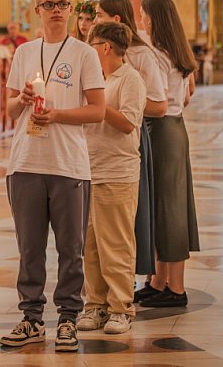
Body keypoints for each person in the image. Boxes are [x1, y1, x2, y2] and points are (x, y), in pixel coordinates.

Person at [0, 0, 105, 353]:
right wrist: (24, 98)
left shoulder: (84, 54)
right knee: (29, 248)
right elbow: (10, 110)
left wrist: (57, 114)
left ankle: (67, 318)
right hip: (26, 162)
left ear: (72, 9)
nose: (56, 9)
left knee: (70, 248)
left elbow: (97, 109)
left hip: (69, 165)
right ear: (37, 10)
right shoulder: (25, 52)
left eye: (63, 3)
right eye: (49, 4)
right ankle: (31, 318)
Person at [78, 22, 146, 335]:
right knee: (90, 246)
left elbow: (128, 124)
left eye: (92, 45)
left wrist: (97, 105)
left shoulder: (129, 79)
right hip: (87, 169)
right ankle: (94, 305)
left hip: (117, 172)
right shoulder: (94, 79)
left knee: (115, 244)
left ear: (105, 47)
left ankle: (121, 307)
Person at [94, 0, 167, 278]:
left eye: (99, 15)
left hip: (130, 139)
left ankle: (124, 286)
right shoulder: (97, 56)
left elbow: (159, 105)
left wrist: (120, 104)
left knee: (126, 220)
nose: (94, 20)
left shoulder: (139, 55)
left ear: (115, 20)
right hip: (100, 148)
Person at [135, 0, 199, 308]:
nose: (141, 20)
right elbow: (186, 95)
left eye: (144, 15)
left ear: (153, 18)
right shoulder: (175, 50)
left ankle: (176, 288)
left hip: (162, 129)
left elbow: (157, 101)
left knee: (169, 209)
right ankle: (160, 281)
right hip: (174, 128)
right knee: (163, 206)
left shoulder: (158, 54)